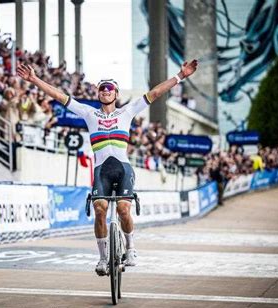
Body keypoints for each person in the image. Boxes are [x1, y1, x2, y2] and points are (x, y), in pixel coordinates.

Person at [17, 59, 198, 276]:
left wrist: (180, 76)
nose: (105, 91)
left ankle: (131, 249)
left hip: (123, 169)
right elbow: (59, 96)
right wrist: (34, 79)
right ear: (98, 94)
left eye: (109, 88)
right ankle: (103, 258)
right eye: (101, 88)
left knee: (123, 210)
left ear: (116, 93)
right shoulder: (89, 113)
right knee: (100, 209)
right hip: (101, 169)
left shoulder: (127, 112)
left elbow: (156, 92)